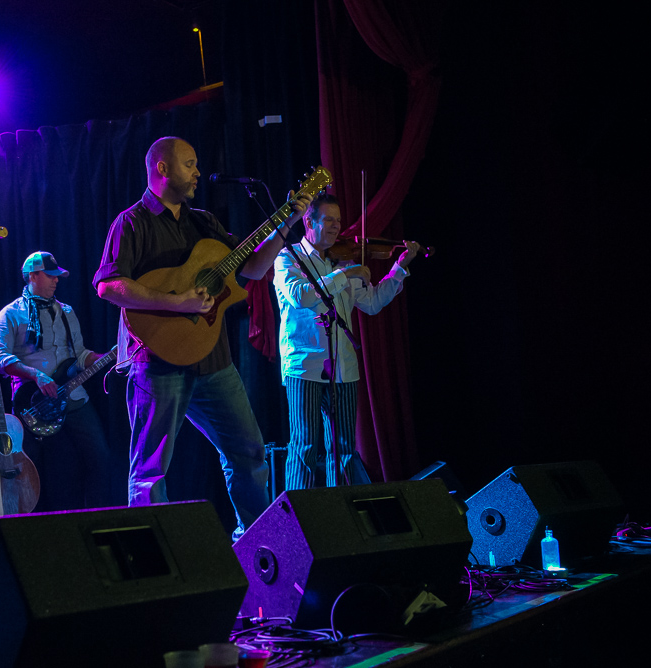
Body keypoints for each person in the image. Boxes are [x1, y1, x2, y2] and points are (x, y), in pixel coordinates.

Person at [93, 136, 310, 539]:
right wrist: (177, 303)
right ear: (162, 168)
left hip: (213, 362)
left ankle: (260, 547)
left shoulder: (205, 222)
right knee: (150, 471)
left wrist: (285, 227)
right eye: (189, 164)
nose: (197, 172)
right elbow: (108, 286)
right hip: (156, 364)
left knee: (249, 453)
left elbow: (253, 268)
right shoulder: (132, 221)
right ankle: (152, 560)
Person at [272, 194, 419, 489]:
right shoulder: (288, 258)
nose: (337, 227)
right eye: (329, 220)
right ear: (308, 222)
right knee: (304, 447)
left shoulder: (344, 262)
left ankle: (342, 517)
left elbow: (373, 302)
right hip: (305, 365)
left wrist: (400, 268)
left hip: (343, 367)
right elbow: (302, 296)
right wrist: (345, 273)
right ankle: (298, 520)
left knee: (343, 450)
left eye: (338, 220)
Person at [0, 251, 112, 510]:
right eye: (50, 275)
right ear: (32, 276)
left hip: (73, 397)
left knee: (100, 457)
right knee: (36, 468)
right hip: (33, 403)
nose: (56, 281)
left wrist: (110, 356)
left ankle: (96, 519)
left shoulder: (66, 311)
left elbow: (79, 356)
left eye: (58, 276)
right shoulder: (10, 313)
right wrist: (35, 374)